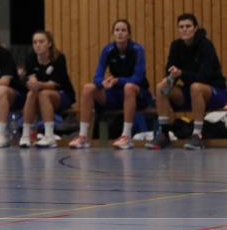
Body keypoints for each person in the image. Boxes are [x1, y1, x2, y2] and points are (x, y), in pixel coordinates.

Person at [146, 13, 227, 151]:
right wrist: (171, 76)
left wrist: (182, 73)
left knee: (196, 87)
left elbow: (204, 77)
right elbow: (171, 70)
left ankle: (197, 135)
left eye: (188, 26)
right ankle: (164, 134)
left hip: (214, 93)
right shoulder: (176, 46)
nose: (184, 29)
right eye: (181, 27)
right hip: (191, 94)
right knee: (162, 86)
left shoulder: (205, 45)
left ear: (195, 28)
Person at [68, 19, 151, 150]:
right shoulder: (108, 50)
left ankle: (126, 136)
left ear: (129, 35)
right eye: (117, 30)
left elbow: (138, 77)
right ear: (113, 34)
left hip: (137, 94)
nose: (120, 33)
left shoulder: (137, 50)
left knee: (128, 87)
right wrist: (102, 83)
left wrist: (119, 80)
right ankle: (83, 136)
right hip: (116, 94)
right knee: (88, 88)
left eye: (123, 30)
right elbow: (98, 74)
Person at [19, 30, 75, 149]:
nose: (37, 45)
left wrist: (39, 84)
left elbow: (55, 83)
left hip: (62, 95)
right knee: (31, 94)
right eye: (35, 42)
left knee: (43, 93)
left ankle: (49, 136)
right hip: (39, 94)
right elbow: (30, 77)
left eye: (41, 41)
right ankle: (25, 135)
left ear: (49, 43)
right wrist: (32, 83)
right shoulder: (30, 58)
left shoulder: (59, 58)